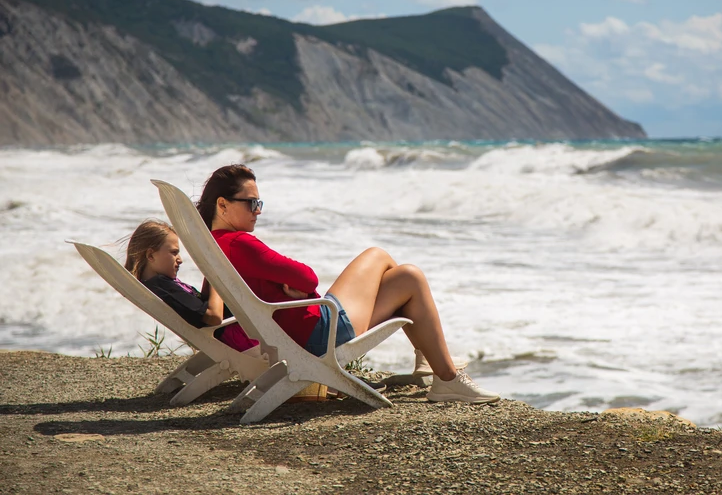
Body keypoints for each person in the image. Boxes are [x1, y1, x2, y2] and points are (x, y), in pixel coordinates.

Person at [196, 164, 499, 404]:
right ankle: (444, 374)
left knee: (403, 278)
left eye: (259, 202)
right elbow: (307, 277)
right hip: (317, 333)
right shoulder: (240, 244)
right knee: (402, 271)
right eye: (251, 203)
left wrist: (286, 287)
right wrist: (296, 288)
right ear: (222, 205)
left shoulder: (214, 245)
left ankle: (432, 363)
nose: (258, 210)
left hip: (293, 330)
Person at [124, 219, 258, 352]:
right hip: (240, 338)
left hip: (234, 333)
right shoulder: (162, 286)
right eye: (174, 252)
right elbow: (214, 317)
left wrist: (212, 275)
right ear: (150, 255)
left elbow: (201, 306)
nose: (180, 260)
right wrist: (217, 280)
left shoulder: (160, 285)